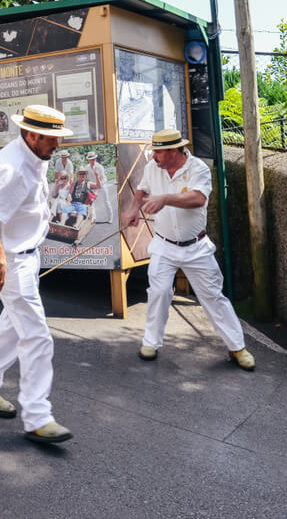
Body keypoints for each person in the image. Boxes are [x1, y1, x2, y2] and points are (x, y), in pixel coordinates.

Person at [0, 104, 74, 444]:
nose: (57, 145)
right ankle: (37, 416)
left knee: (14, 329)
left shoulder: (33, 157)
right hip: (12, 261)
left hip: (25, 256)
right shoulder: (12, 167)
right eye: (52, 139)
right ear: (32, 135)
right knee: (38, 337)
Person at [123, 128, 255, 371]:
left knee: (213, 296)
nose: (154, 157)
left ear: (174, 151)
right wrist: (134, 208)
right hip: (163, 243)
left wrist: (164, 199)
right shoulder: (154, 168)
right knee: (159, 291)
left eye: (159, 153)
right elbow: (141, 189)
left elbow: (198, 198)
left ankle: (237, 347)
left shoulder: (198, 168)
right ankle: (151, 342)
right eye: (153, 152)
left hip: (196, 246)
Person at [86, 151, 110, 223]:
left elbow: (101, 180)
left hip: (102, 184)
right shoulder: (86, 167)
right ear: (89, 160)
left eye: (94, 159)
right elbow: (86, 179)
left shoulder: (99, 167)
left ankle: (110, 217)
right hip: (93, 185)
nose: (93, 161)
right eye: (91, 159)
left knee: (106, 201)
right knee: (91, 201)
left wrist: (97, 191)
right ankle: (93, 218)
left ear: (95, 159)